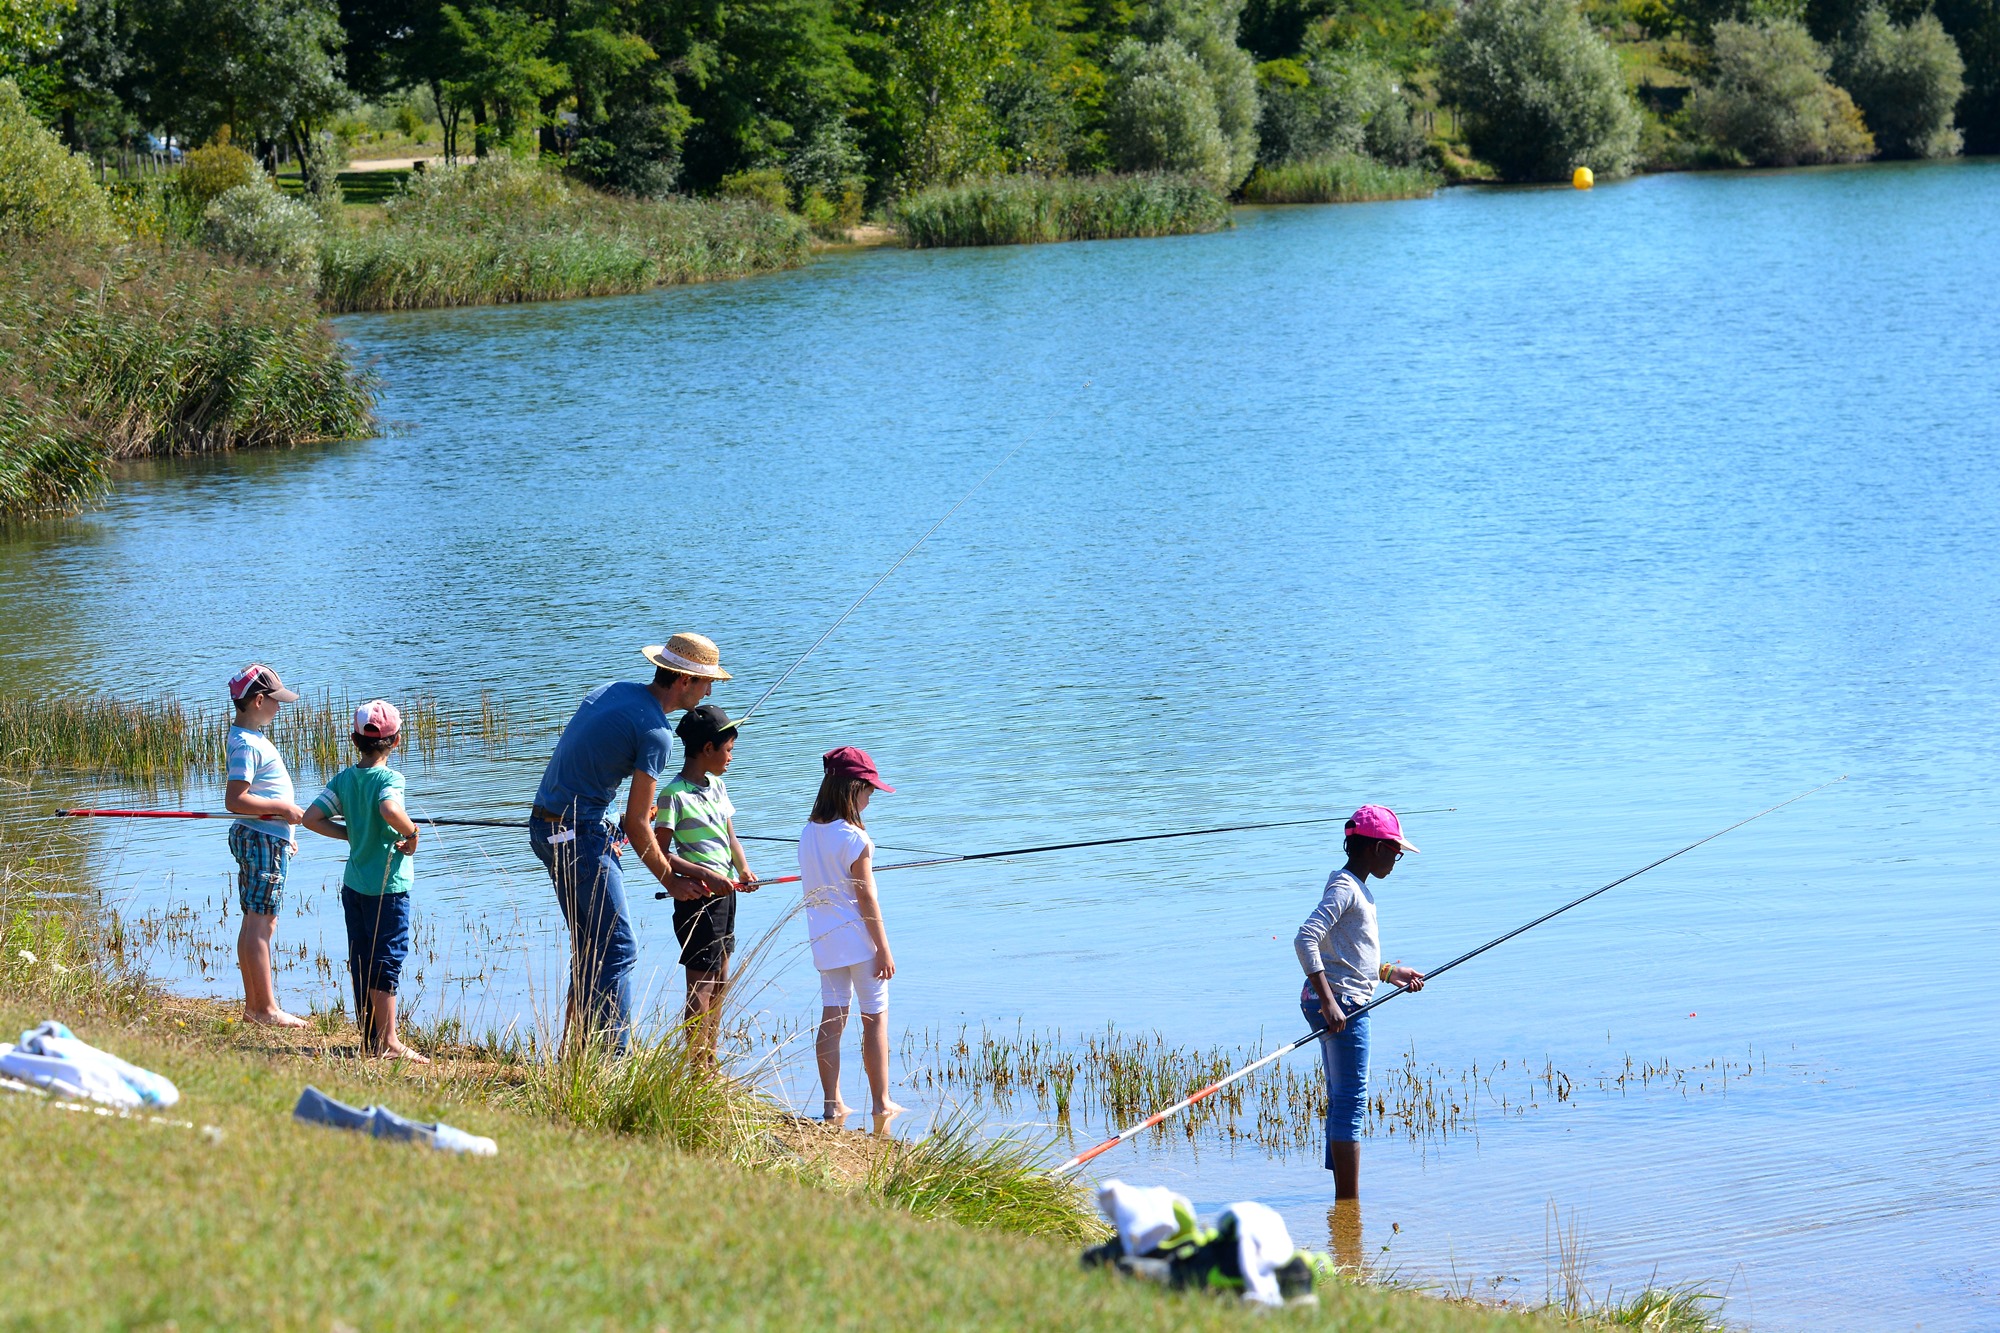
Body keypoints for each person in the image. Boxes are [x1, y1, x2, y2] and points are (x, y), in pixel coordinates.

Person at [529, 633, 730, 1052]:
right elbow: (640, 826)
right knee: (618, 947)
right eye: (705, 681)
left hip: (547, 827)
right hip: (576, 836)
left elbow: (586, 769)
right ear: (684, 680)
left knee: (591, 948)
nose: (709, 689)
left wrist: (609, 824)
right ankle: (614, 1063)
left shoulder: (616, 690)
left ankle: (575, 1055)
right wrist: (670, 880)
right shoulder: (657, 733)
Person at [1294, 805, 1427, 1199]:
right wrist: (1330, 1002)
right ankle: (1348, 1201)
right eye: (1395, 851)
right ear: (1375, 848)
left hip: (1339, 999)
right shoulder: (1345, 889)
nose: (1397, 860)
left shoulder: (1350, 885)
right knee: (1352, 1101)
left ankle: (1342, 1208)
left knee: (1341, 1097)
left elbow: (1345, 953)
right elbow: (1305, 938)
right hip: (1344, 1007)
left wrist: (1388, 973)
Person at [302, 701, 428, 1062]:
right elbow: (390, 808)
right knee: (387, 957)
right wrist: (413, 832)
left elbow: (311, 818)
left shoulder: (343, 779)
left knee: (362, 958)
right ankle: (389, 1042)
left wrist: (351, 833)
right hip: (387, 887)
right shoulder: (390, 779)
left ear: (354, 739)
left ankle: (371, 1039)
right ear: (397, 741)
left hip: (354, 886)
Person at [797, 746, 902, 1122]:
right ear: (852, 788)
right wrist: (883, 948)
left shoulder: (809, 832)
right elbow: (866, 897)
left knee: (833, 1016)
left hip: (823, 940)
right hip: (859, 942)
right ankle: (881, 1102)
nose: (872, 796)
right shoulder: (856, 838)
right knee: (874, 1016)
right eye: (869, 789)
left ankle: (832, 1103)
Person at [654, 703, 755, 1061]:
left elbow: (731, 839)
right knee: (702, 984)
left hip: (726, 895)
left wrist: (742, 870)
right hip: (698, 900)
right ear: (707, 749)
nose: (731, 757)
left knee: (722, 978)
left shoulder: (718, 787)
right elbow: (661, 852)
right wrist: (703, 874)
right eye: (727, 750)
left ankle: (709, 1056)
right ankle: (697, 1066)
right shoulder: (673, 795)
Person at [223, 663, 309, 1029]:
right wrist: (284, 810)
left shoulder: (250, 737)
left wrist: (286, 835)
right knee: (262, 924)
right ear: (258, 701)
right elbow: (236, 800)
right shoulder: (246, 743)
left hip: (267, 839)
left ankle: (254, 1007)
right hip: (261, 839)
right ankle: (266, 1010)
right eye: (276, 701)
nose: (280, 707)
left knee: (255, 922)